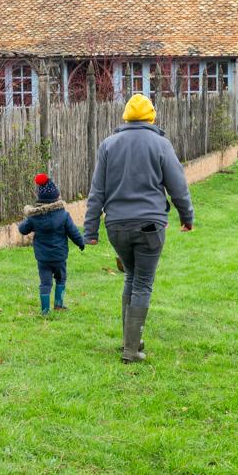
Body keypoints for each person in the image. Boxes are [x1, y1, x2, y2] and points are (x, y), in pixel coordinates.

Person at [83, 93, 194, 363]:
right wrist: (186, 216)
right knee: (142, 282)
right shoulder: (161, 144)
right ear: (151, 117)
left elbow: (97, 191)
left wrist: (90, 230)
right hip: (149, 225)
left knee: (131, 277)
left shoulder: (108, 145)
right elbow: (178, 185)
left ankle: (129, 342)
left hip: (116, 226)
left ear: (126, 117)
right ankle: (132, 351)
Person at [16, 172, 86, 314]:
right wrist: (81, 243)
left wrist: (28, 216)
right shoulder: (63, 215)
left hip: (43, 258)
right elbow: (73, 232)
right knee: (61, 278)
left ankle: (45, 310)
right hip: (59, 256)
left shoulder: (34, 217)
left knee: (45, 282)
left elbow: (22, 229)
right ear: (56, 197)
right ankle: (59, 305)